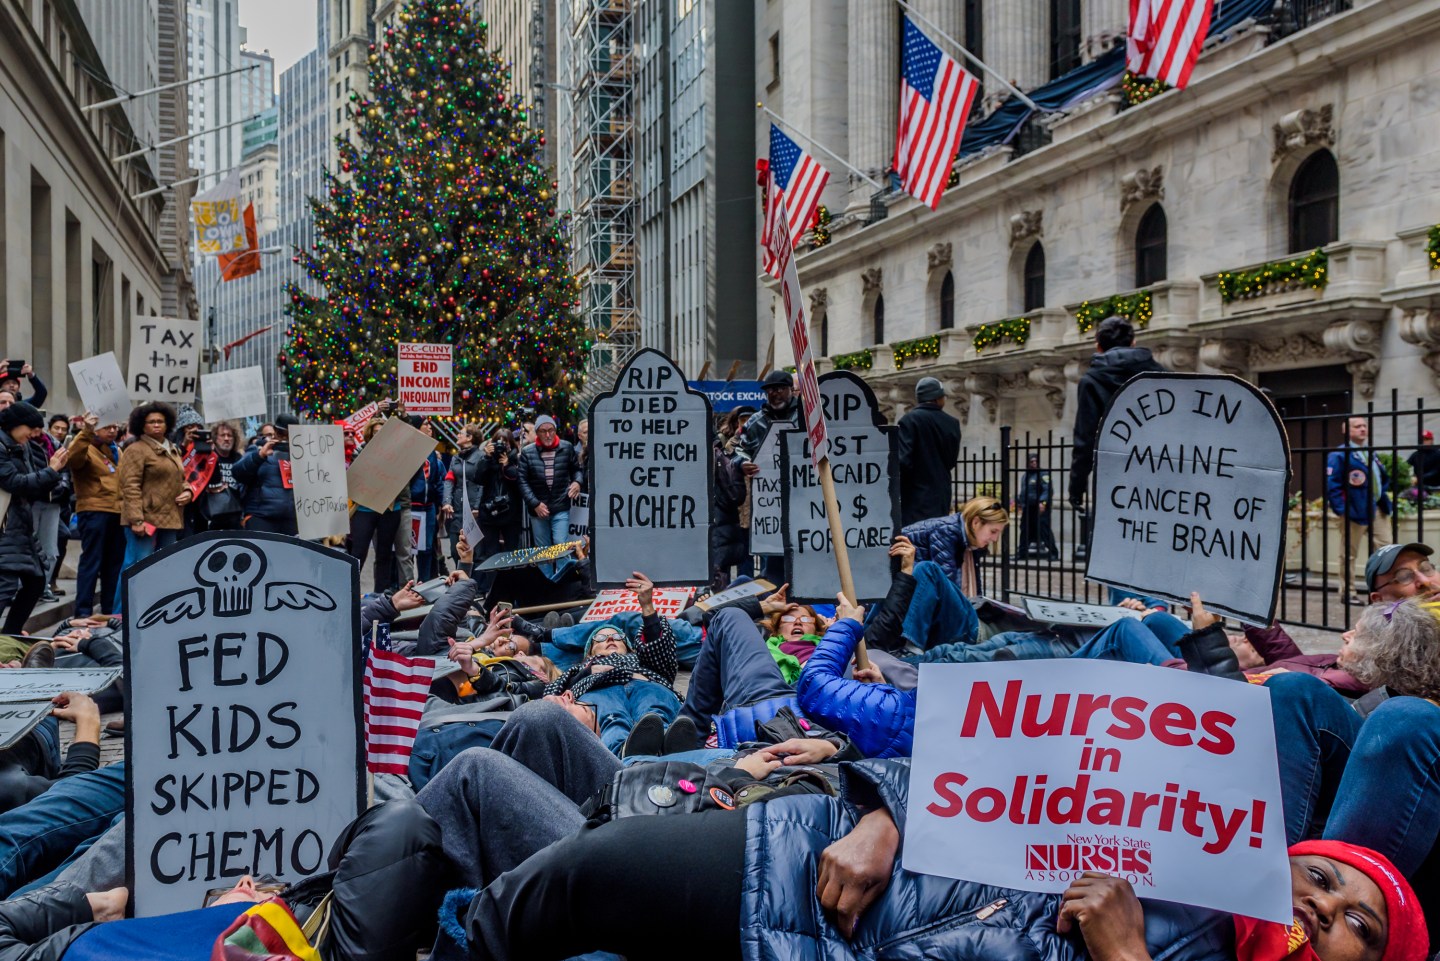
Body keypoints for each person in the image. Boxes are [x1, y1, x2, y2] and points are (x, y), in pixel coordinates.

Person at [462, 747, 1428, 961]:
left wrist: (1127, 954)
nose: (1324, 906)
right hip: (814, 876)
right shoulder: (1184, 815)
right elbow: (1003, 759)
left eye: (1360, 925)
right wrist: (887, 814)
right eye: (1324, 875)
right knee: (583, 876)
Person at [539, 572, 680, 756]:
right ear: (590, 653)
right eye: (600, 638)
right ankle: (621, 753)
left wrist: (647, 606)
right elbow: (551, 697)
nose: (610, 639)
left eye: (617, 636)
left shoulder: (643, 660)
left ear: (629, 648)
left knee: (655, 710)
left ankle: (670, 742)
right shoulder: (580, 670)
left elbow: (664, 658)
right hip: (600, 690)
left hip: (646, 684)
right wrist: (587, 673)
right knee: (612, 718)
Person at [1069, 316, 1165, 560]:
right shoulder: (1161, 374)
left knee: (1117, 547)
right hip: (1160, 475)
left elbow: (1085, 439)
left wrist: (1076, 486)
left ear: (1098, 346)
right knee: (1155, 544)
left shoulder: (1092, 380)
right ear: (1133, 342)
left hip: (1115, 478)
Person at [115, 402, 189, 612]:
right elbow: (129, 486)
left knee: (165, 568)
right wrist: (136, 519)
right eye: (151, 422)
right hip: (144, 519)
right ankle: (121, 615)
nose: (156, 425)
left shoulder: (172, 448)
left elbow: (181, 478)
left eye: (160, 421)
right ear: (142, 425)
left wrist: (188, 491)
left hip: (170, 517)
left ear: (167, 424)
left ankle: (156, 613)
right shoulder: (136, 449)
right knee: (136, 567)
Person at [0, 404, 68, 633]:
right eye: (31, 428)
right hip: (5, 525)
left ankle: (10, 635)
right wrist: (51, 470)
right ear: (16, 424)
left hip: (21, 523)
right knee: (6, 585)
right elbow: (14, 482)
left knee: (36, 581)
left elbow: (31, 482)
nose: (34, 433)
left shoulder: (23, 445)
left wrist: (54, 474)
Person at [66, 413, 123, 618]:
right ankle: (83, 612)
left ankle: (108, 610)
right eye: (107, 427)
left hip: (117, 511)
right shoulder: (85, 446)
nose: (112, 430)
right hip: (94, 511)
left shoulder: (117, 449)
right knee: (92, 562)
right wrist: (86, 431)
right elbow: (73, 458)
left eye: (115, 426)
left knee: (113, 565)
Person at [1328, 416, 1393, 594]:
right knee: (1349, 554)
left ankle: (1382, 591)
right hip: (1354, 511)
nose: (1363, 429)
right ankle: (1348, 591)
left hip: (1377, 508)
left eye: (1364, 426)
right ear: (1346, 431)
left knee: (1386, 550)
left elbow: (1381, 478)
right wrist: (1342, 510)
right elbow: (1332, 486)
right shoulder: (1339, 455)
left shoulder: (1370, 452)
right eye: (1357, 426)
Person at [516, 415, 582, 582]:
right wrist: (535, 503)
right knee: (543, 550)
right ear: (537, 433)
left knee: (561, 545)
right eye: (543, 431)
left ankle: (563, 582)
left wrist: (577, 482)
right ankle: (546, 584)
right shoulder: (528, 452)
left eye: (551, 430)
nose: (548, 435)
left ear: (555, 430)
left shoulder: (566, 448)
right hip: (538, 509)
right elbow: (522, 481)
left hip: (560, 505)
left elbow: (576, 469)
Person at [895, 377, 961, 528]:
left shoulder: (909, 420)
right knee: (937, 534)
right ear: (938, 398)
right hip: (941, 493)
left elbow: (903, 461)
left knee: (914, 536)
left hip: (914, 496)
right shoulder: (952, 422)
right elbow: (951, 461)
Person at [348, 417, 404, 586]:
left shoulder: (398, 454)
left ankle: (381, 593)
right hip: (364, 509)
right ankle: (349, 590)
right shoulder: (360, 451)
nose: (379, 436)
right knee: (358, 552)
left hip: (390, 508)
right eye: (376, 432)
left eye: (383, 432)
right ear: (370, 434)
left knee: (384, 554)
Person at [231, 412, 299, 536]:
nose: (285, 438)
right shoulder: (259, 449)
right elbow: (237, 473)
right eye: (281, 433)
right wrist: (260, 456)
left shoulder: (301, 454)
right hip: (261, 518)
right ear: (275, 431)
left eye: (290, 434)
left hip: (291, 520)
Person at [195, 421, 244, 532]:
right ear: (215, 438)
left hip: (234, 515)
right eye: (222, 435)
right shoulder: (208, 458)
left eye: (229, 435)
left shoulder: (239, 458)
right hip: (211, 515)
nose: (226, 439)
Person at [1015, 452, 1059, 560]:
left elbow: (1047, 489)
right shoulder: (1025, 476)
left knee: (1044, 529)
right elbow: (1024, 491)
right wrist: (1020, 503)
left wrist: (1043, 502)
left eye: (1036, 461)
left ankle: (1053, 553)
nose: (1034, 463)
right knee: (1025, 530)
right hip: (1028, 507)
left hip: (1040, 508)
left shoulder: (1043, 474)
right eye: (1031, 461)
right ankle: (1022, 553)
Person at [1409, 430, 1440, 496]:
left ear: (1432, 440)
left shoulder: (1438, 454)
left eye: (1426, 439)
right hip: (1418, 487)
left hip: (1435, 487)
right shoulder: (1416, 454)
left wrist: (1419, 478)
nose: (1424, 441)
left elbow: (1436, 470)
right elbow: (1407, 466)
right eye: (1422, 439)